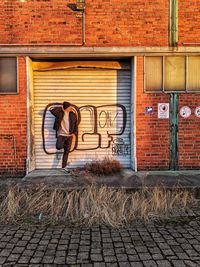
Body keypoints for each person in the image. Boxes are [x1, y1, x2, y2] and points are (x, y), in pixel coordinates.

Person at [50, 101, 78, 169]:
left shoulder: (72, 114)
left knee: (66, 152)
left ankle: (64, 166)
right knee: (58, 147)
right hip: (61, 135)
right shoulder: (59, 113)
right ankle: (63, 144)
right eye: (69, 107)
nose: (71, 108)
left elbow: (75, 125)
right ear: (66, 107)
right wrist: (62, 108)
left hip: (69, 136)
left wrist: (74, 133)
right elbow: (52, 110)